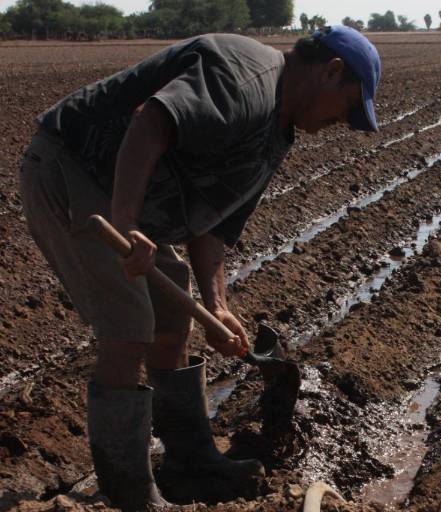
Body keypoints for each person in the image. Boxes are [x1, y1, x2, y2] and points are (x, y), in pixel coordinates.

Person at [19, 26, 380, 510]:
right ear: (331, 71)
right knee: (129, 326)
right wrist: (126, 226)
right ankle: (130, 496)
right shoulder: (246, 76)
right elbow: (151, 121)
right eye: (349, 106)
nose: (344, 121)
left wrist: (218, 305)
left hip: (125, 197)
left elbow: (214, 223)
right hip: (74, 171)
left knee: (173, 321)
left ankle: (191, 459)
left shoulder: (277, 131)